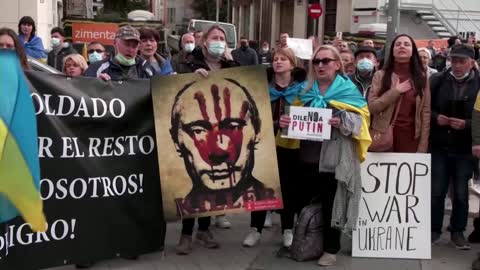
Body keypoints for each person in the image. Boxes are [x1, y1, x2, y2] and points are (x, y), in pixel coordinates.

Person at [280, 45, 370, 266]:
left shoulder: (348, 91)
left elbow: (362, 122)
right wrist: (285, 122)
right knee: (304, 201)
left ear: (337, 64)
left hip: (334, 156)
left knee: (332, 203)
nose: (320, 65)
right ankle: (307, 242)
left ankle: (331, 248)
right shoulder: (305, 89)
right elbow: (292, 118)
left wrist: (343, 121)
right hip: (306, 155)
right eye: (316, 61)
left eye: (326, 61)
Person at [174, 25, 239, 255]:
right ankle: (185, 233)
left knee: (213, 182)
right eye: (215, 38)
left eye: (222, 38)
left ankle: (204, 229)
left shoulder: (232, 65)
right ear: (204, 42)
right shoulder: (187, 64)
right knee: (193, 179)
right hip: (196, 131)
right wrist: (190, 79)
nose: (219, 42)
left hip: (221, 132)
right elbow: (173, 92)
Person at [242, 48, 306, 248]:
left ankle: (288, 229)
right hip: (263, 143)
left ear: (292, 64)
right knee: (261, 186)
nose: (278, 62)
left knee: (288, 187)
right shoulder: (262, 87)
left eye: (283, 59)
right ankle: (255, 229)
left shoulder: (303, 89)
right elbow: (249, 116)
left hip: (291, 146)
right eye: (275, 59)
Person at [430, 44, 480, 250]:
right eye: (454, 60)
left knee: (460, 192)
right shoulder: (437, 80)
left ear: (471, 62)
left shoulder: (479, 83)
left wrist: (466, 124)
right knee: (437, 191)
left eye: (462, 61)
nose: (457, 65)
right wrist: (437, 118)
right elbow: (426, 109)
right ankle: (433, 230)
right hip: (440, 144)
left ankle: (457, 231)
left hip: (465, 148)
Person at [368, 34, 430, 153]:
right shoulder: (380, 75)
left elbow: (425, 113)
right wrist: (395, 92)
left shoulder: (421, 77)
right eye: (398, 44)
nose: (402, 46)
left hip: (411, 138)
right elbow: (372, 108)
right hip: (383, 137)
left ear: (412, 51)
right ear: (392, 51)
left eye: (406, 44)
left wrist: (423, 146)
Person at [84, 25, 154, 80]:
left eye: (134, 46)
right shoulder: (96, 68)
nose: (130, 50)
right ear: (114, 43)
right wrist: (95, 84)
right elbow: (83, 93)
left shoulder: (147, 69)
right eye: (127, 45)